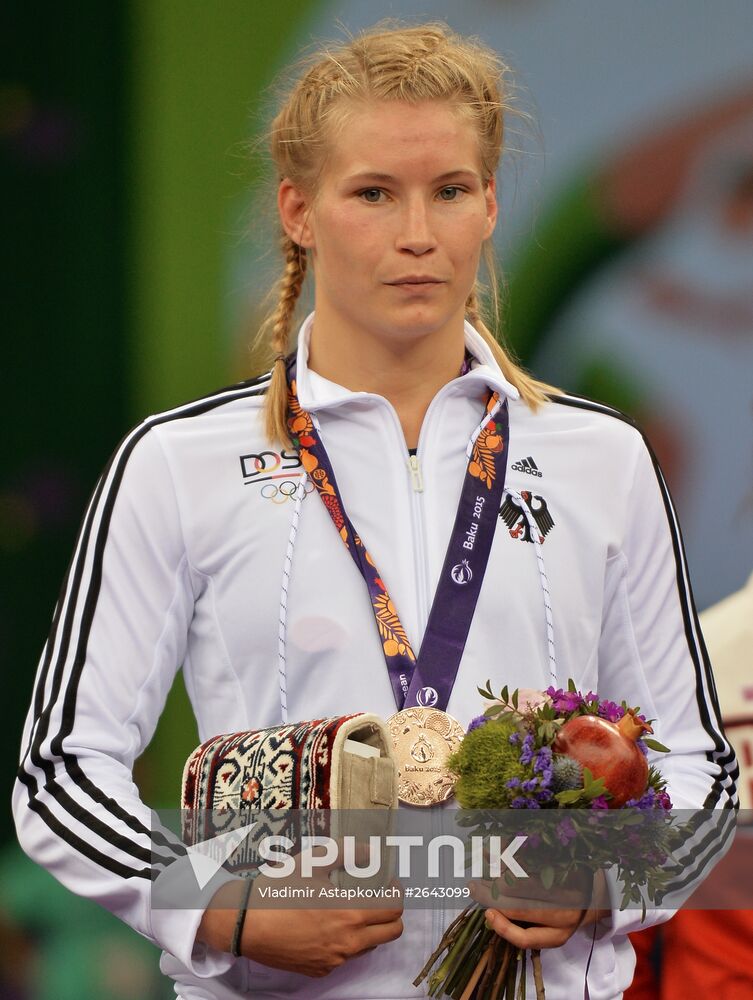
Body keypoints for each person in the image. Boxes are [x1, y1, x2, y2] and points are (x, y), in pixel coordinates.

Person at [11, 22, 737, 1000]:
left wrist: (606, 880)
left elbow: (703, 773)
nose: (416, 235)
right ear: (298, 210)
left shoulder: (599, 458)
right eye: (372, 193)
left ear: (488, 206)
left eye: (448, 191)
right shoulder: (182, 461)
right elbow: (62, 771)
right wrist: (218, 906)